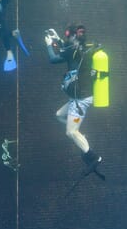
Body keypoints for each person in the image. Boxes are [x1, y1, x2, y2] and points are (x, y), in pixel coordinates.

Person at [44, 23, 103, 171]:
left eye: (67, 36)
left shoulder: (72, 51)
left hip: (80, 100)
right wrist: (56, 39)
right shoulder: (86, 47)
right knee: (59, 115)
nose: (66, 39)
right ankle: (80, 138)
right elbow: (67, 48)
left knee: (70, 132)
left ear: (72, 36)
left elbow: (54, 58)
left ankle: (92, 156)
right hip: (79, 96)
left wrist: (48, 44)